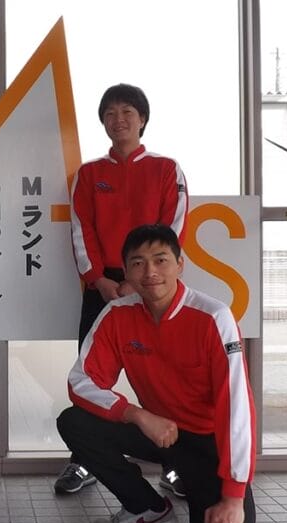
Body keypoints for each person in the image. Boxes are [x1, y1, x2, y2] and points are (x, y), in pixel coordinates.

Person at [56, 224, 256, 523]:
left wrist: (233, 497)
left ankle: (192, 486)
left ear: (180, 264)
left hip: (207, 444)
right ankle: (146, 507)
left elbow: (236, 409)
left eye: (160, 260)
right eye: (138, 263)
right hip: (158, 431)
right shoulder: (118, 314)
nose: (150, 272)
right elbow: (81, 380)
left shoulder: (214, 317)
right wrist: (136, 414)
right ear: (126, 271)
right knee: (74, 422)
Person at [57, 83, 189, 497]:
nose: (119, 120)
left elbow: (173, 227)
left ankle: (176, 464)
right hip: (103, 286)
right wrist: (99, 279)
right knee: (90, 372)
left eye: (128, 111)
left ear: (142, 119)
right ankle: (84, 461)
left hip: (153, 285)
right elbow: (81, 230)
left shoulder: (166, 169)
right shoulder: (90, 174)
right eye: (110, 113)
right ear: (103, 122)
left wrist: (138, 279)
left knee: (165, 373)